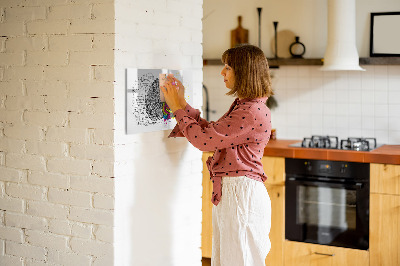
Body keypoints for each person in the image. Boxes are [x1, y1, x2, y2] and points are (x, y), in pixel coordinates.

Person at [161, 44, 273, 266]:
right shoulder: (246, 106)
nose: (222, 72)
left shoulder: (250, 111)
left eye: (228, 67)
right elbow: (212, 133)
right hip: (236, 193)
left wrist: (176, 108)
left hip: (241, 195)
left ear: (244, 72)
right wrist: (182, 103)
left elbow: (204, 141)